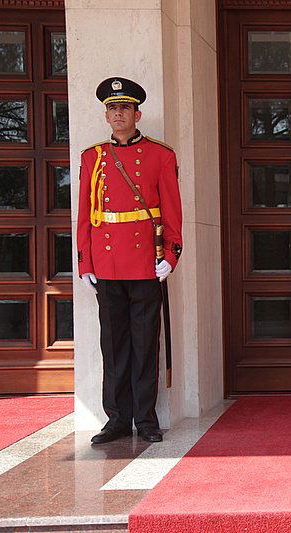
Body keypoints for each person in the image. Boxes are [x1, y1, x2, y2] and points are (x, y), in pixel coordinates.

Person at [76, 77, 183, 444]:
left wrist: (171, 255)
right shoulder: (93, 157)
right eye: (111, 108)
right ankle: (118, 419)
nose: (117, 113)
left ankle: (146, 419)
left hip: (144, 263)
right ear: (106, 115)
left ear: (137, 113)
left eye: (124, 108)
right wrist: (85, 262)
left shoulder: (160, 155)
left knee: (144, 344)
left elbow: (171, 210)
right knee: (114, 344)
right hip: (106, 265)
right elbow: (85, 215)